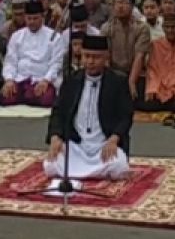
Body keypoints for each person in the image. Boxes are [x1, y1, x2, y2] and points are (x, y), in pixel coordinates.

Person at [44, 35, 133, 181]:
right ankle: (93, 173)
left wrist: (114, 139)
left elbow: (126, 115)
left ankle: (82, 172)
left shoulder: (118, 81)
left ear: (106, 58)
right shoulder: (72, 80)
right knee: (50, 166)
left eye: (96, 57)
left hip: (104, 145)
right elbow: (58, 111)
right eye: (87, 56)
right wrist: (55, 137)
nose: (90, 61)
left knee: (120, 167)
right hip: (76, 145)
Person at [1, 0, 62, 107]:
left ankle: (28, 96)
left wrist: (45, 80)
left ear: (42, 18)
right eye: (29, 18)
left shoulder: (54, 37)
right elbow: (10, 61)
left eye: (35, 18)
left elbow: (56, 63)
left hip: (41, 79)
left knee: (46, 99)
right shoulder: (17, 36)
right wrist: (9, 80)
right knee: (6, 97)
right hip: (20, 78)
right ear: (25, 18)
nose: (32, 22)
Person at [139, 14, 175, 114]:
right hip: (161, 89)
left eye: (173, 27)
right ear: (163, 27)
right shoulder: (155, 44)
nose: (170, 30)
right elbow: (152, 69)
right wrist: (152, 88)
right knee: (144, 103)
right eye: (167, 27)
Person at [102, 0, 151, 98]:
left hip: (137, 73)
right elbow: (105, 56)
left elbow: (140, 55)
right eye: (118, 3)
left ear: (132, 7)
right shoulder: (106, 28)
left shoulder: (142, 27)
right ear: (113, 7)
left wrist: (132, 82)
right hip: (114, 72)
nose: (121, 6)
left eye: (124, 3)